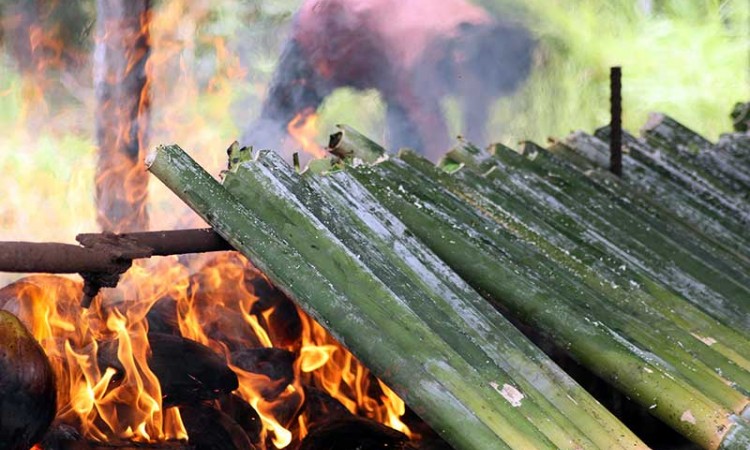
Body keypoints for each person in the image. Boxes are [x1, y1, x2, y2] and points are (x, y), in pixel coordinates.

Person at [242, 0, 535, 159]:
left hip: (380, 57)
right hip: (322, 36)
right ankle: (239, 173)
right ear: (463, 61)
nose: (479, 95)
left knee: (409, 147)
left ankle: (405, 187)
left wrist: (476, 160)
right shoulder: (417, 42)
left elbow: (476, 110)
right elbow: (427, 119)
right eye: (480, 86)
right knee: (280, 122)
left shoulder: (481, 35)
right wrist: (447, 174)